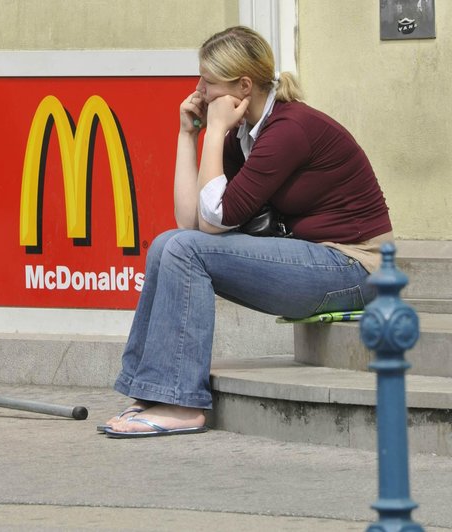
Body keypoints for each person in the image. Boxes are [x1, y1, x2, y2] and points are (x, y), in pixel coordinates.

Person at [101, 26, 393, 438]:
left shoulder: (289, 129)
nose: (199, 91)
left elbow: (212, 219)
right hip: (316, 260)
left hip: (355, 268)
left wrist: (215, 131)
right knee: (168, 244)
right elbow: (189, 221)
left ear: (243, 85)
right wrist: (190, 133)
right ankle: (152, 392)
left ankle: (180, 402)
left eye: (208, 82)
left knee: (185, 249)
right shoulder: (248, 134)